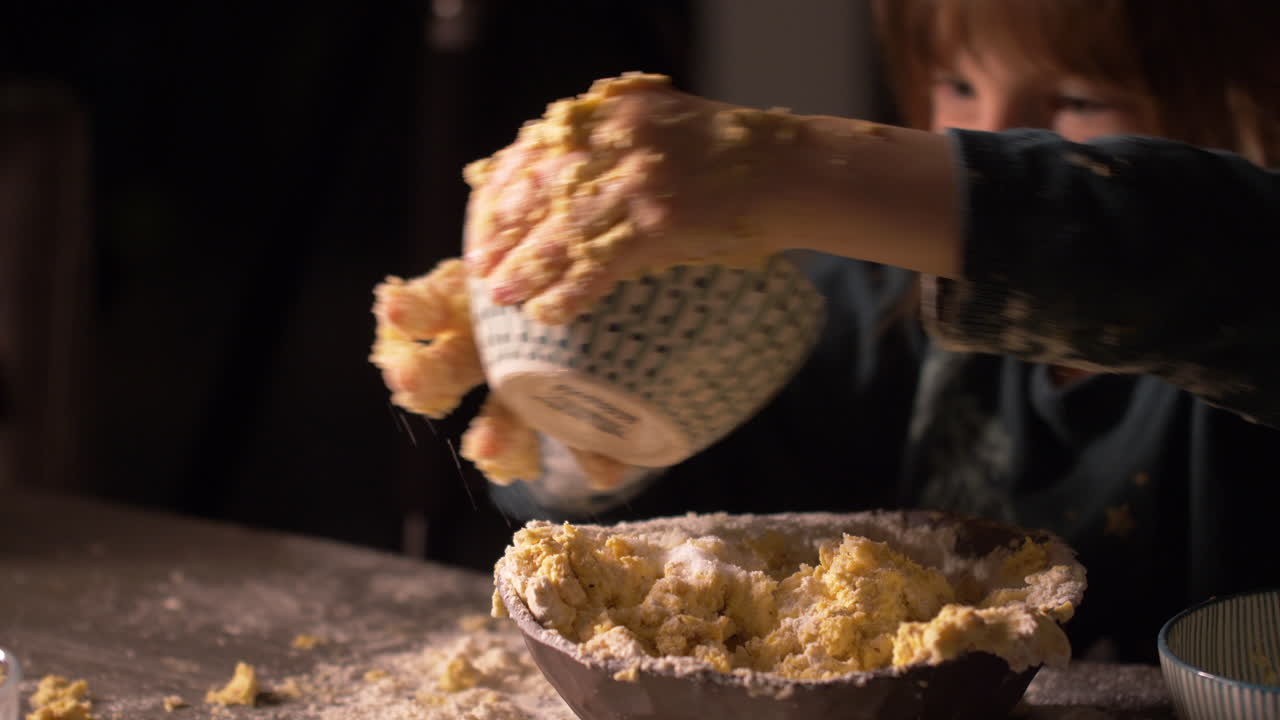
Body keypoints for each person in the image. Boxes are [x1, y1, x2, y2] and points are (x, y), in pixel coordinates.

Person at [379, 0, 1280, 661]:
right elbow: (689, 547)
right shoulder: (871, 316)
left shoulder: (1240, 297)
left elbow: (1209, 246)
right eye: (957, 83)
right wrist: (588, 425)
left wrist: (793, 166)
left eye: (1080, 102)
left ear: (1252, 108)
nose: (994, 131)